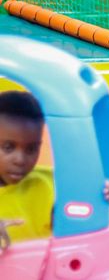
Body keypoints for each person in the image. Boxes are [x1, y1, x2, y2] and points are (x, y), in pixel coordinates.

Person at [0, 91, 53, 252]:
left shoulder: (54, 183)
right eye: (8, 147)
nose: (20, 160)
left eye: (31, 149)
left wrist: (101, 193)